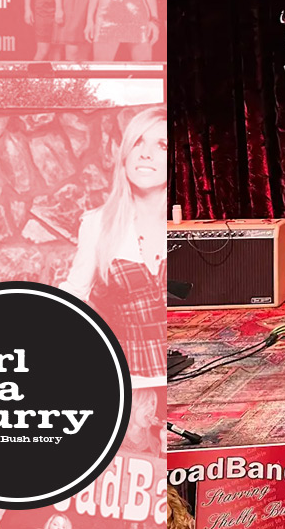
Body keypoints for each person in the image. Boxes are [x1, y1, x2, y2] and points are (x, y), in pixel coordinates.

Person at [60, 107, 168, 379]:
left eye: (162, 145)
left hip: (189, 372)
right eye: (137, 143)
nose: (145, 153)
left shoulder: (186, 224)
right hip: (131, 378)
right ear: (125, 155)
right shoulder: (98, 223)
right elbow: (72, 296)